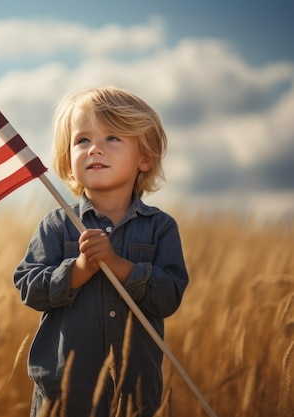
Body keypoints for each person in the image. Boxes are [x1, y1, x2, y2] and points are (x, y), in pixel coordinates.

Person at [13, 86, 189, 417]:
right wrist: (79, 268)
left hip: (132, 398)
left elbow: (168, 297)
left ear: (144, 158)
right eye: (82, 140)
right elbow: (28, 287)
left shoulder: (160, 228)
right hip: (63, 399)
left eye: (112, 138)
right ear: (68, 159)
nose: (95, 149)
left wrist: (115, 263)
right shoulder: (57, 225)